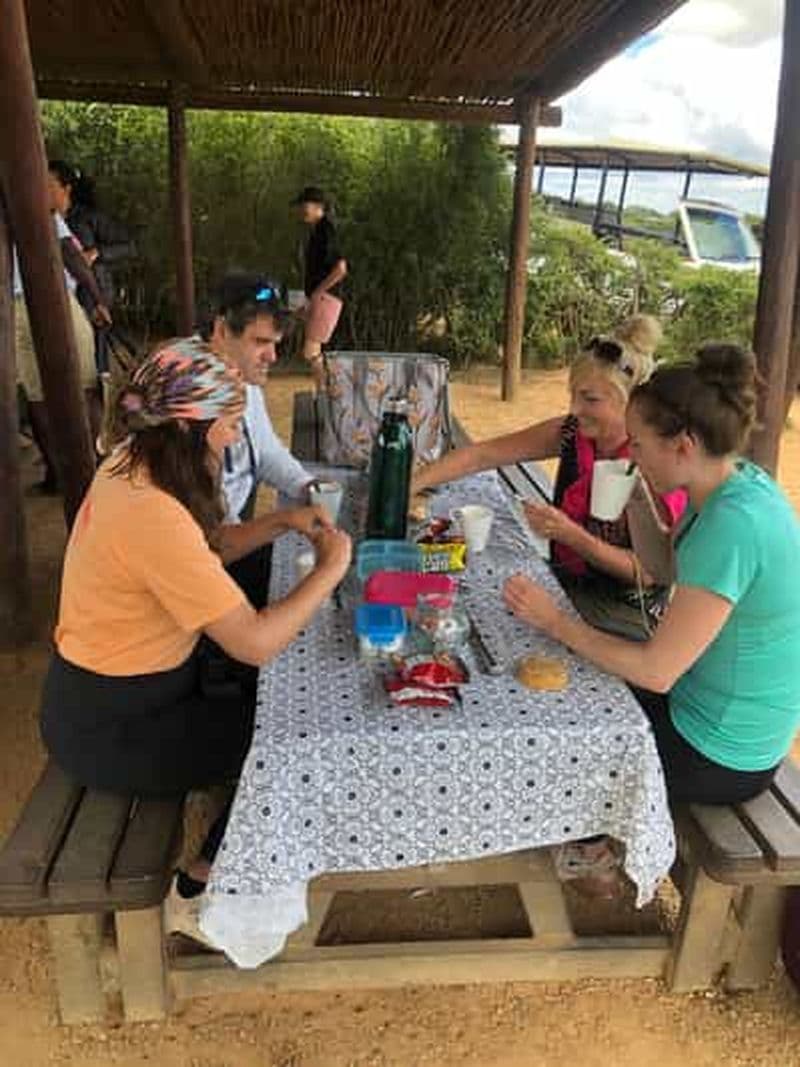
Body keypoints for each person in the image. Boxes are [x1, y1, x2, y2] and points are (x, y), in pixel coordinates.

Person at [40, 341, 351, 940]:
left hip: (103, 697)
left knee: (272, 681)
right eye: (230, 425)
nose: (234, 439)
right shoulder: (149, 511)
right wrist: (330, 570)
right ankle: (199, 888)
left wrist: (282, 521)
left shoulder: (133, 462)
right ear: (190, 428)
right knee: (290, 743)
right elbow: (254, 643)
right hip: (117, 727)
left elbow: (206, 548)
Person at [504, 343, 800, 807]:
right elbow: (664, 566)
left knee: (550, 740)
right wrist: (638, 496)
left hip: (718, 753)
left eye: (638, 445)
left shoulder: (733, 525)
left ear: (683, 446)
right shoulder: (728, 481)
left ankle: (592, 847)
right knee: (563, 685)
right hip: (699, 706)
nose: (632, 454)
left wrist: (554, 622)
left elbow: (656, 671)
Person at [413, 315, 686, 639]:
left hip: (626, 610)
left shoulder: (655, 461)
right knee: (460, 602)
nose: (575, 409)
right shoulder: (573, 432)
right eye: (573, 395)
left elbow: (650, 574)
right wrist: (411, 484)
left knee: (481, 619)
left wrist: (570, 535)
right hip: (567, 582)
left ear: (630, 403)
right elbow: (483, 454)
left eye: (590, 399)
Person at [198, 272, 317, 608]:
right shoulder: (192, 402)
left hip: (230, 539)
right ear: (222, 330)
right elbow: (212, 540)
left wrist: (306, 485)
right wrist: (285, 520)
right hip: (209, 559)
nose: (273, 357)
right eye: (261, 342)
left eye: (275, 343)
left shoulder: (242, 382)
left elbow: (266, 451)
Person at [14, 169, 112, 491]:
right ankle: (100, 466)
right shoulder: (33, 201)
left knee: (37, 396)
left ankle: (57, 474)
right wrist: (98, 299)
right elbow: (70, 254)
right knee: (85, 384)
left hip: (14, 307)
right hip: (55, 301)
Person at [50, 160, 135, 374]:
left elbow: (129, 246)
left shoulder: (89, 218)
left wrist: (97, 253)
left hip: (93, 291)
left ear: (66, 188)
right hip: (60, 292)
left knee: (95, 351)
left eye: (49, 183)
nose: (42, 188)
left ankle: (102, 385)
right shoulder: (44, 219)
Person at [292, 186, 347, 382]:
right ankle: (327, 390)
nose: (301, 210)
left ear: (319, 206)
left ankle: (329, 390)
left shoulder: (326, 230)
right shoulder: (318, 232)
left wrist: (317, 293)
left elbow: (341, 268)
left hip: (326, 297)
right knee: (313, 352)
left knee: (311, 352)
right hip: (322, 297)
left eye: (305, 205)